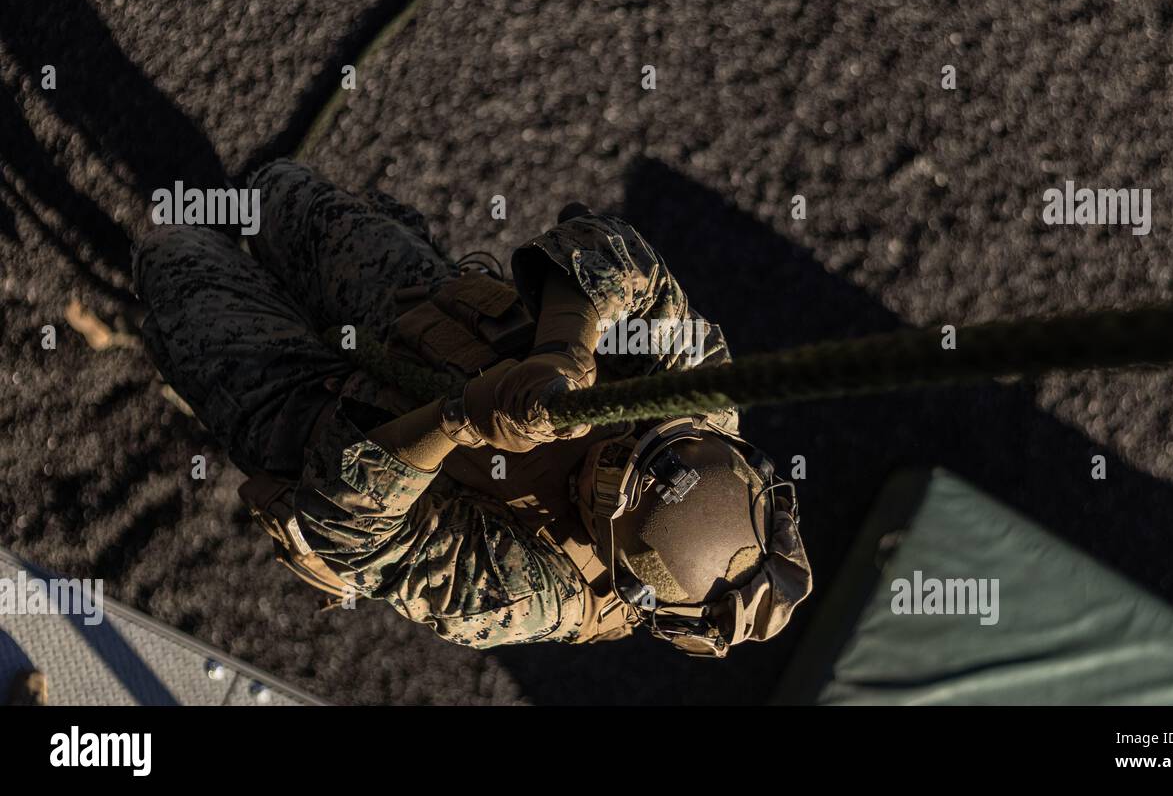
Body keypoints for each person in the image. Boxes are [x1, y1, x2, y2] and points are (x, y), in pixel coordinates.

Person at [131, 160, 812, 655]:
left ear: (622, 561)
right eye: (640, 447)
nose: (609, 454)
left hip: (311, 420)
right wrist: (564, 350)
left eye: (606, 484)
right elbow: (618, 255)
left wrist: (458, 421)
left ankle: (171, 254)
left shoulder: (537, 593)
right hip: (416, 307)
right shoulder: (698, 402)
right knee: (280, 195)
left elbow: (348, 529)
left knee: (172, 253)